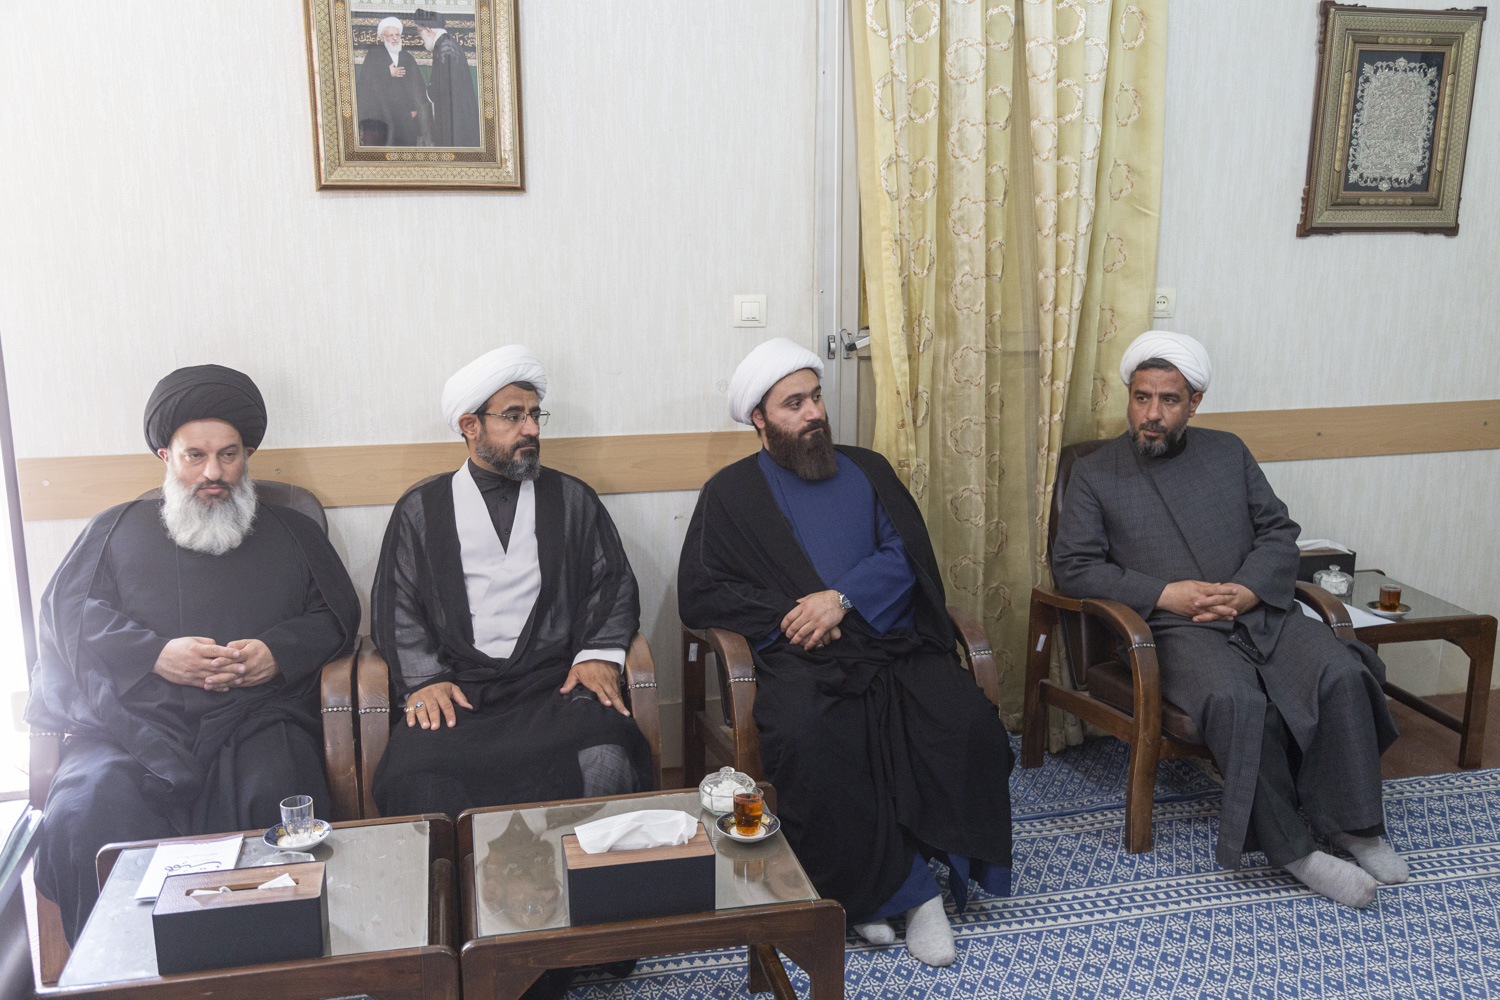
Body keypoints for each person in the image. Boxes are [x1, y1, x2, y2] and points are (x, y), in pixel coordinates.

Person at [678, 338, 1014, 967]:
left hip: (888, 641)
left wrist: (841, 599)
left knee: (966, 722)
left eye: (816, 397)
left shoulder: (868, 469)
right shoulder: (729, 493)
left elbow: (906, 555)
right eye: (794, 404)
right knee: (810, 733)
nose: (814, 413)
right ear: (760, 419)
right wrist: (795, 615)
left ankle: (906, 880)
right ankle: (904, 893)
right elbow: (705, 590)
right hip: (800, 656)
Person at [1051, 330, 1406, 908]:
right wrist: (1165, 594)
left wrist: (1246, 591)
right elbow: (1074, 567)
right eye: (1142, 397)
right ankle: (1295, 852)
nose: (1152, 414)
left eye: (1169, 400)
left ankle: (1355, 825)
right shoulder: (1096, 472)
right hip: (1173, 629)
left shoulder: (1228, 452)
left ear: (1194, 403)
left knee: (1342, 673)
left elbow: (1279, 532)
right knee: (1238, 702)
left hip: (1259, 613)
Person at [26, 366, 360, 943]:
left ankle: (277, 963)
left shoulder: (292, 532)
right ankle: (120, 965)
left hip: (254, 719)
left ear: (247, 454)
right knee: (86, 810)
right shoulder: (115, 530)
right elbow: (68, 614)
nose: (214, 472)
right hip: (131, 727)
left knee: (279, 790)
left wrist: (277, 653)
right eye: (195, 456)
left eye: (229, 455)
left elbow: (335, 614)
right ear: (165, 456)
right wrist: (154, 654)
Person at [370, 346, 652, 818]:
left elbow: (612, 584)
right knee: (416, 779)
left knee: (606, 757)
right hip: (459, 692)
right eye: (514, 416)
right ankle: (462, 871)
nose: (532, 429)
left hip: (554, 687)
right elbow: (396, 603)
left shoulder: (571, 498)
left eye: (535, 415)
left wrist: (597, 654)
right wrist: (425, 679)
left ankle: (580, 868)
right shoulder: (421, 508)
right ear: (470, 425)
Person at [355, 16, 431, 147]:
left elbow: (416, 85)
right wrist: (387, 73)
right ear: (382, 38)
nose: (395, 38)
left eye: (397, 35)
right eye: (390, 36)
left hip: (404, 115)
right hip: (381, 115)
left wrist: (414, 108)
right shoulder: (374, 55)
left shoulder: (407, 57)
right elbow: (365, 84)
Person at [414, 9, 481, 147]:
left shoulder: (445, 47)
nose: (420, 36)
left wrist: (419, 98)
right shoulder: (444, 43)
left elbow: (443, 88)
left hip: (454, 114)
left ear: (428, 30)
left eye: (420, 31)